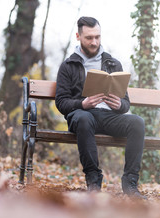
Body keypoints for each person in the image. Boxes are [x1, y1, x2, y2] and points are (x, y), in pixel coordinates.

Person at [55, 16, 146, 199]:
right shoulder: (68, 66)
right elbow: (61, 102)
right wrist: (82, 103)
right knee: (83, 117)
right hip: (82, 116)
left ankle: (130, 183)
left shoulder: (113, 64)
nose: (94, 42)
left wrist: (120, 105)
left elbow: (125, 102)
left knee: (137, 122)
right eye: (89, 38)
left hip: (108, 116)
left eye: (97, 37)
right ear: (78, 36)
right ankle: (93, 181)